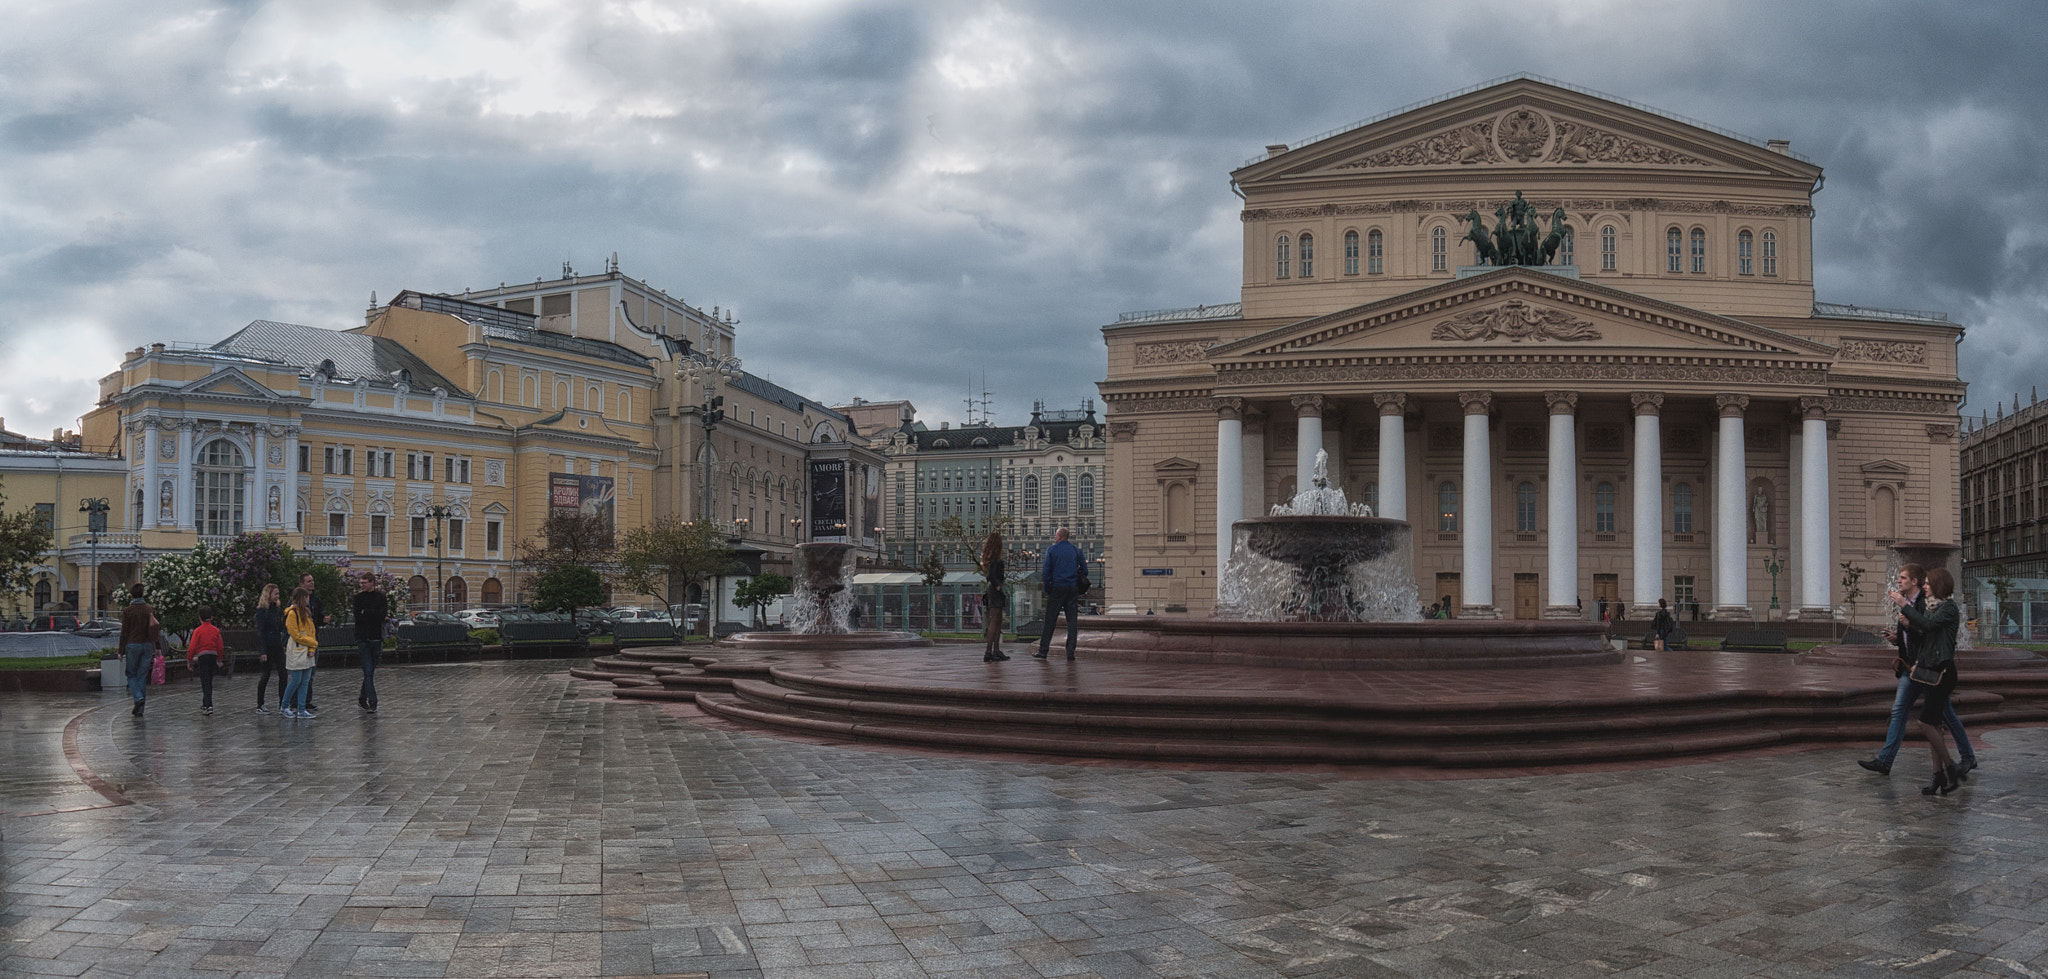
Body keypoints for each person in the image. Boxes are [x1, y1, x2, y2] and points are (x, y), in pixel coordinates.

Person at [1858, 564, 1977, 778]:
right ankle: (1886, 761)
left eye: (1903, 578)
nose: (1899, 581)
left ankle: (1962, 760)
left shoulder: (1928, 605)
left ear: (1914, 582)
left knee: (1944, 717)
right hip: (1911, 668)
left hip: (1928, 670)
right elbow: (1917, 636)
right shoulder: (1920, 605)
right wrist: (1898, 637)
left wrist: (1906, 613)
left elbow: (1926, 632)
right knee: (1899, 712)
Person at [1894, 567, 1965, 795]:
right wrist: (1917, 659)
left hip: (1942, 673)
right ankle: (1938, 777)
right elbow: (1924, 637)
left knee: (1925, 723)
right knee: (1933, 724)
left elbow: (1929, 626)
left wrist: (1904, 605)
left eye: (1927, 583)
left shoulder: (1949, 608)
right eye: (1923, 583)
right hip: (1930, 670)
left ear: (1938, 584)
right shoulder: (1930, 607)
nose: (1924, 586)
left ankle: (1951, 767)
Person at [1035, 527, 1084, 661]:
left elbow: (1046, 571)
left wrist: (1047, 588)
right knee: (1072, 621)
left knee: (1050, 620)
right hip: (1072, 588)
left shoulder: (1052, 550)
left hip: (1057, 588)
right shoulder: (1076, 550)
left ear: (1060, 537)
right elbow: (1084, 570)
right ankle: (1070, 652)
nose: (1055, 538)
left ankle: (1043, 650)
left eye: (1056, 535)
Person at [117, 583, 159, 717]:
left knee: (130, 674)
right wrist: (157, 647)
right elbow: (155, 630)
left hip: (132, 645)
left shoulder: (128, 611)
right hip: (147, 645)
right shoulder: (150, 609)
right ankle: (140, 709)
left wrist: (120, 651)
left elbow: (124, 632)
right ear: (143, 594)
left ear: (131, 595)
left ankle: (138, 698)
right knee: (141, 676)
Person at [282, 586, 319, 720]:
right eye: (307, 597)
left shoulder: (307, 613)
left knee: (305, 681)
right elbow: (295, 635)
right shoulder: (292, 614)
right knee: (296, 679)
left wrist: (311, 648)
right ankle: (284, 706)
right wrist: (312, 643)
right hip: (297, 648)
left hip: (307, 649)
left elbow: (312, 631)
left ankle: (302, 709)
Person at [351, 574, 385, 713]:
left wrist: (368, 613)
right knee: (368, 671)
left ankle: (361, 698)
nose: (362, 585)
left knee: (370, 672)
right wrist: (371, 614)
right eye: (361, 582)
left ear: (372, 583)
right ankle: (373, 701)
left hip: (376, 637)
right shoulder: (358, 598)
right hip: (363, 638)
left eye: (364, 582)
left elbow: (381, 615)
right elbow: (358, 617)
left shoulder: (380, 597)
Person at [252, 584, 288, 713]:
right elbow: (260, 631)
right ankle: (260, 703)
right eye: (275, 594)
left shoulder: (277, 610)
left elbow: (279, 627)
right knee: (265, 674)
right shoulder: (262, 611)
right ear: (269, 595)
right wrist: (263, 650)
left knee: (283, 674)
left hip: (277, 645)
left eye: (278, 594)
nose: (278, 596)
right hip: (268, 645)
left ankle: (283, 703)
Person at [979, 532, 1011, 662]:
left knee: (997, 620)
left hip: (992, 589)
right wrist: (999, 587)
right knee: (995, 620)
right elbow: (992, 576)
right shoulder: (995, 559)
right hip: (995, 589)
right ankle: (989, 651)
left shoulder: (991, 557)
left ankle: (996, 650)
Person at [186, 607, 224, 716]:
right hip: (213, 655)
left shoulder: (197, 631)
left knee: (205, 681)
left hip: (202, 656)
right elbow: (220, 646)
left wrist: (189, 660)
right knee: (209, 680)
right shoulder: (216, 630)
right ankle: (205, 702)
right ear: (211, 618)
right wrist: (219, 659)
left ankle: (208, 705)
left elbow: (192, 647)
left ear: (199, 618)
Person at [298, 572, 326, 712]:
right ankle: (296, 701)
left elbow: (318, 618)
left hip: (313, 641)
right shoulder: (296, 601)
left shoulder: (316, 600)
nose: (312, 583)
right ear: (301, 584)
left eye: (312, 580)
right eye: (309, 581)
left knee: (311, 673)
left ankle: (307, 700)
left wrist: (324, 620)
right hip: (301, 642)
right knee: (300, 674)